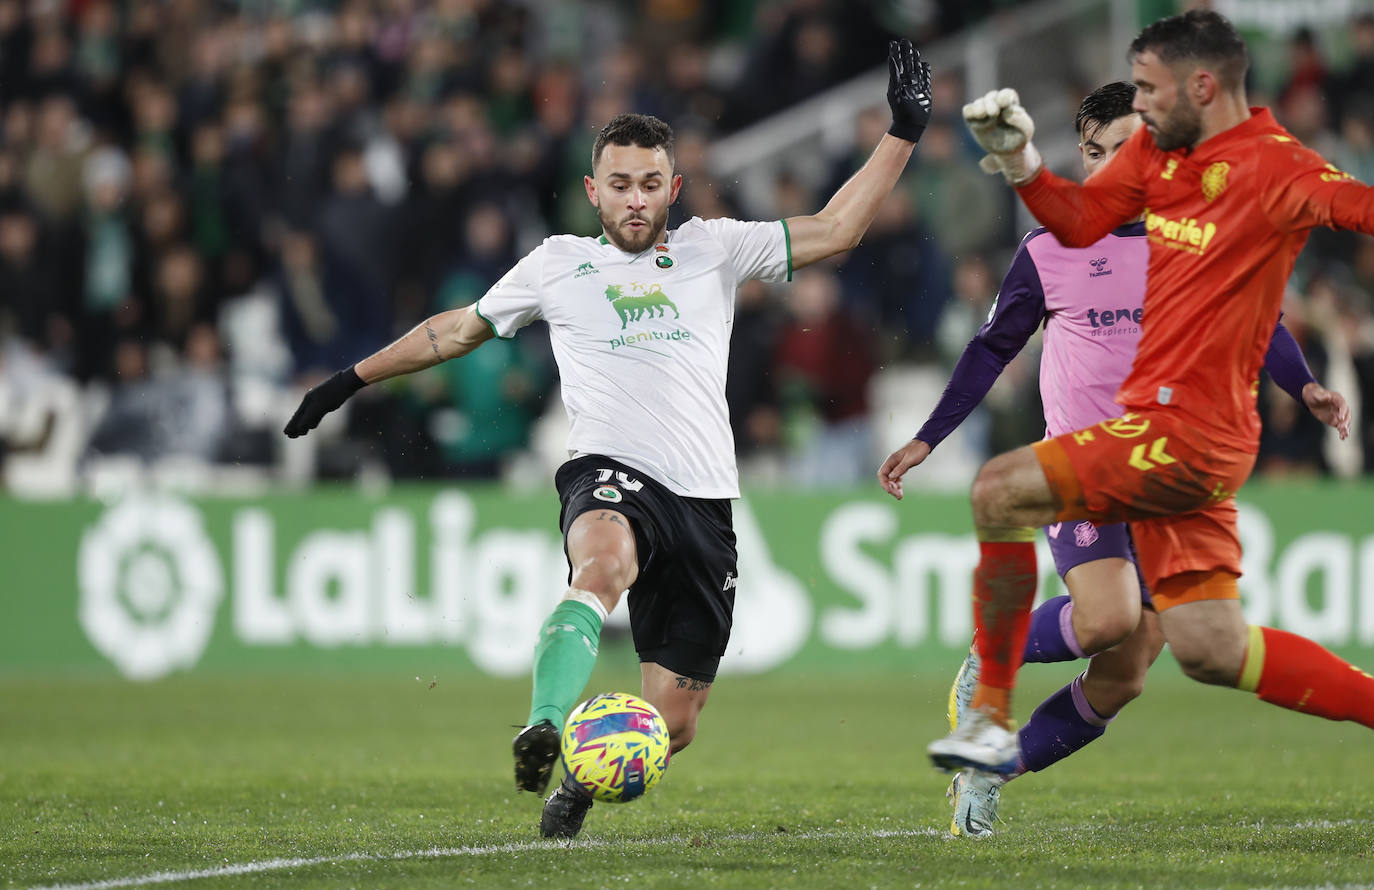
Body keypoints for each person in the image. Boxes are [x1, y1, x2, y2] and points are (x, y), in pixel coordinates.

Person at [283, 40, 934, 839]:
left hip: (704, 501)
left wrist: (902, 131)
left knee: (677, 722)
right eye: (619, 184)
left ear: (674, 187)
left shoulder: (714, 248)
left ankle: (577, 789)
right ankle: (545, 723)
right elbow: (454, 332)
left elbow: (835, 229)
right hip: (608, 471)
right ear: (593, 190)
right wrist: (350, 380)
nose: (635, 199)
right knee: (601, 564)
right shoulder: (558, 263)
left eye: (650, 184)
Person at [910, 8, 1374, 787]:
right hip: (1175, 443)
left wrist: (1305, 381)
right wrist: (1022, 160)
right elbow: (1079, 216)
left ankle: (990, 709)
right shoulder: (1162, 170)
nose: (1147, 107)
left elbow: (1354, 211)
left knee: (1001, 491)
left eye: (1153, 91)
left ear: (1200, 86)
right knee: (1208, 648)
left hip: (1183, 434)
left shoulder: (1274, 168)